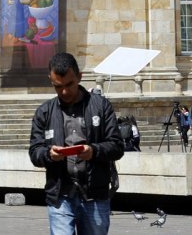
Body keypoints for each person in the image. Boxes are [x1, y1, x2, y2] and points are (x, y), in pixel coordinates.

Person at [29, 52, 123, 235]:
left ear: (80, 77)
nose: (64, 92)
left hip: (95, 194)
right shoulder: (44, 112)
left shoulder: (101, 106)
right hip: (60, 195)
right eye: (58, 87)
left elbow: (117, 146)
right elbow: (34, 151)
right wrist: (49, 154)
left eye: (69, 84)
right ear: (51, 80)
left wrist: (93, 151)